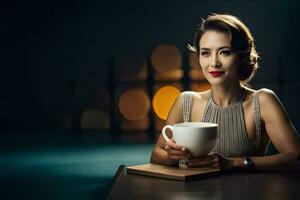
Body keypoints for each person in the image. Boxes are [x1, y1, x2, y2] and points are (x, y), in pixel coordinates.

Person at [150, 13, 300, 171]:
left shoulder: (262, 101)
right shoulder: (186, 102)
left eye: (224, 52)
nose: (214, 63)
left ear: (242, 57)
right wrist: (172, 155)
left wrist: (234, 163)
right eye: (206, 53)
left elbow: (296, 157)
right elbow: (155, 155)